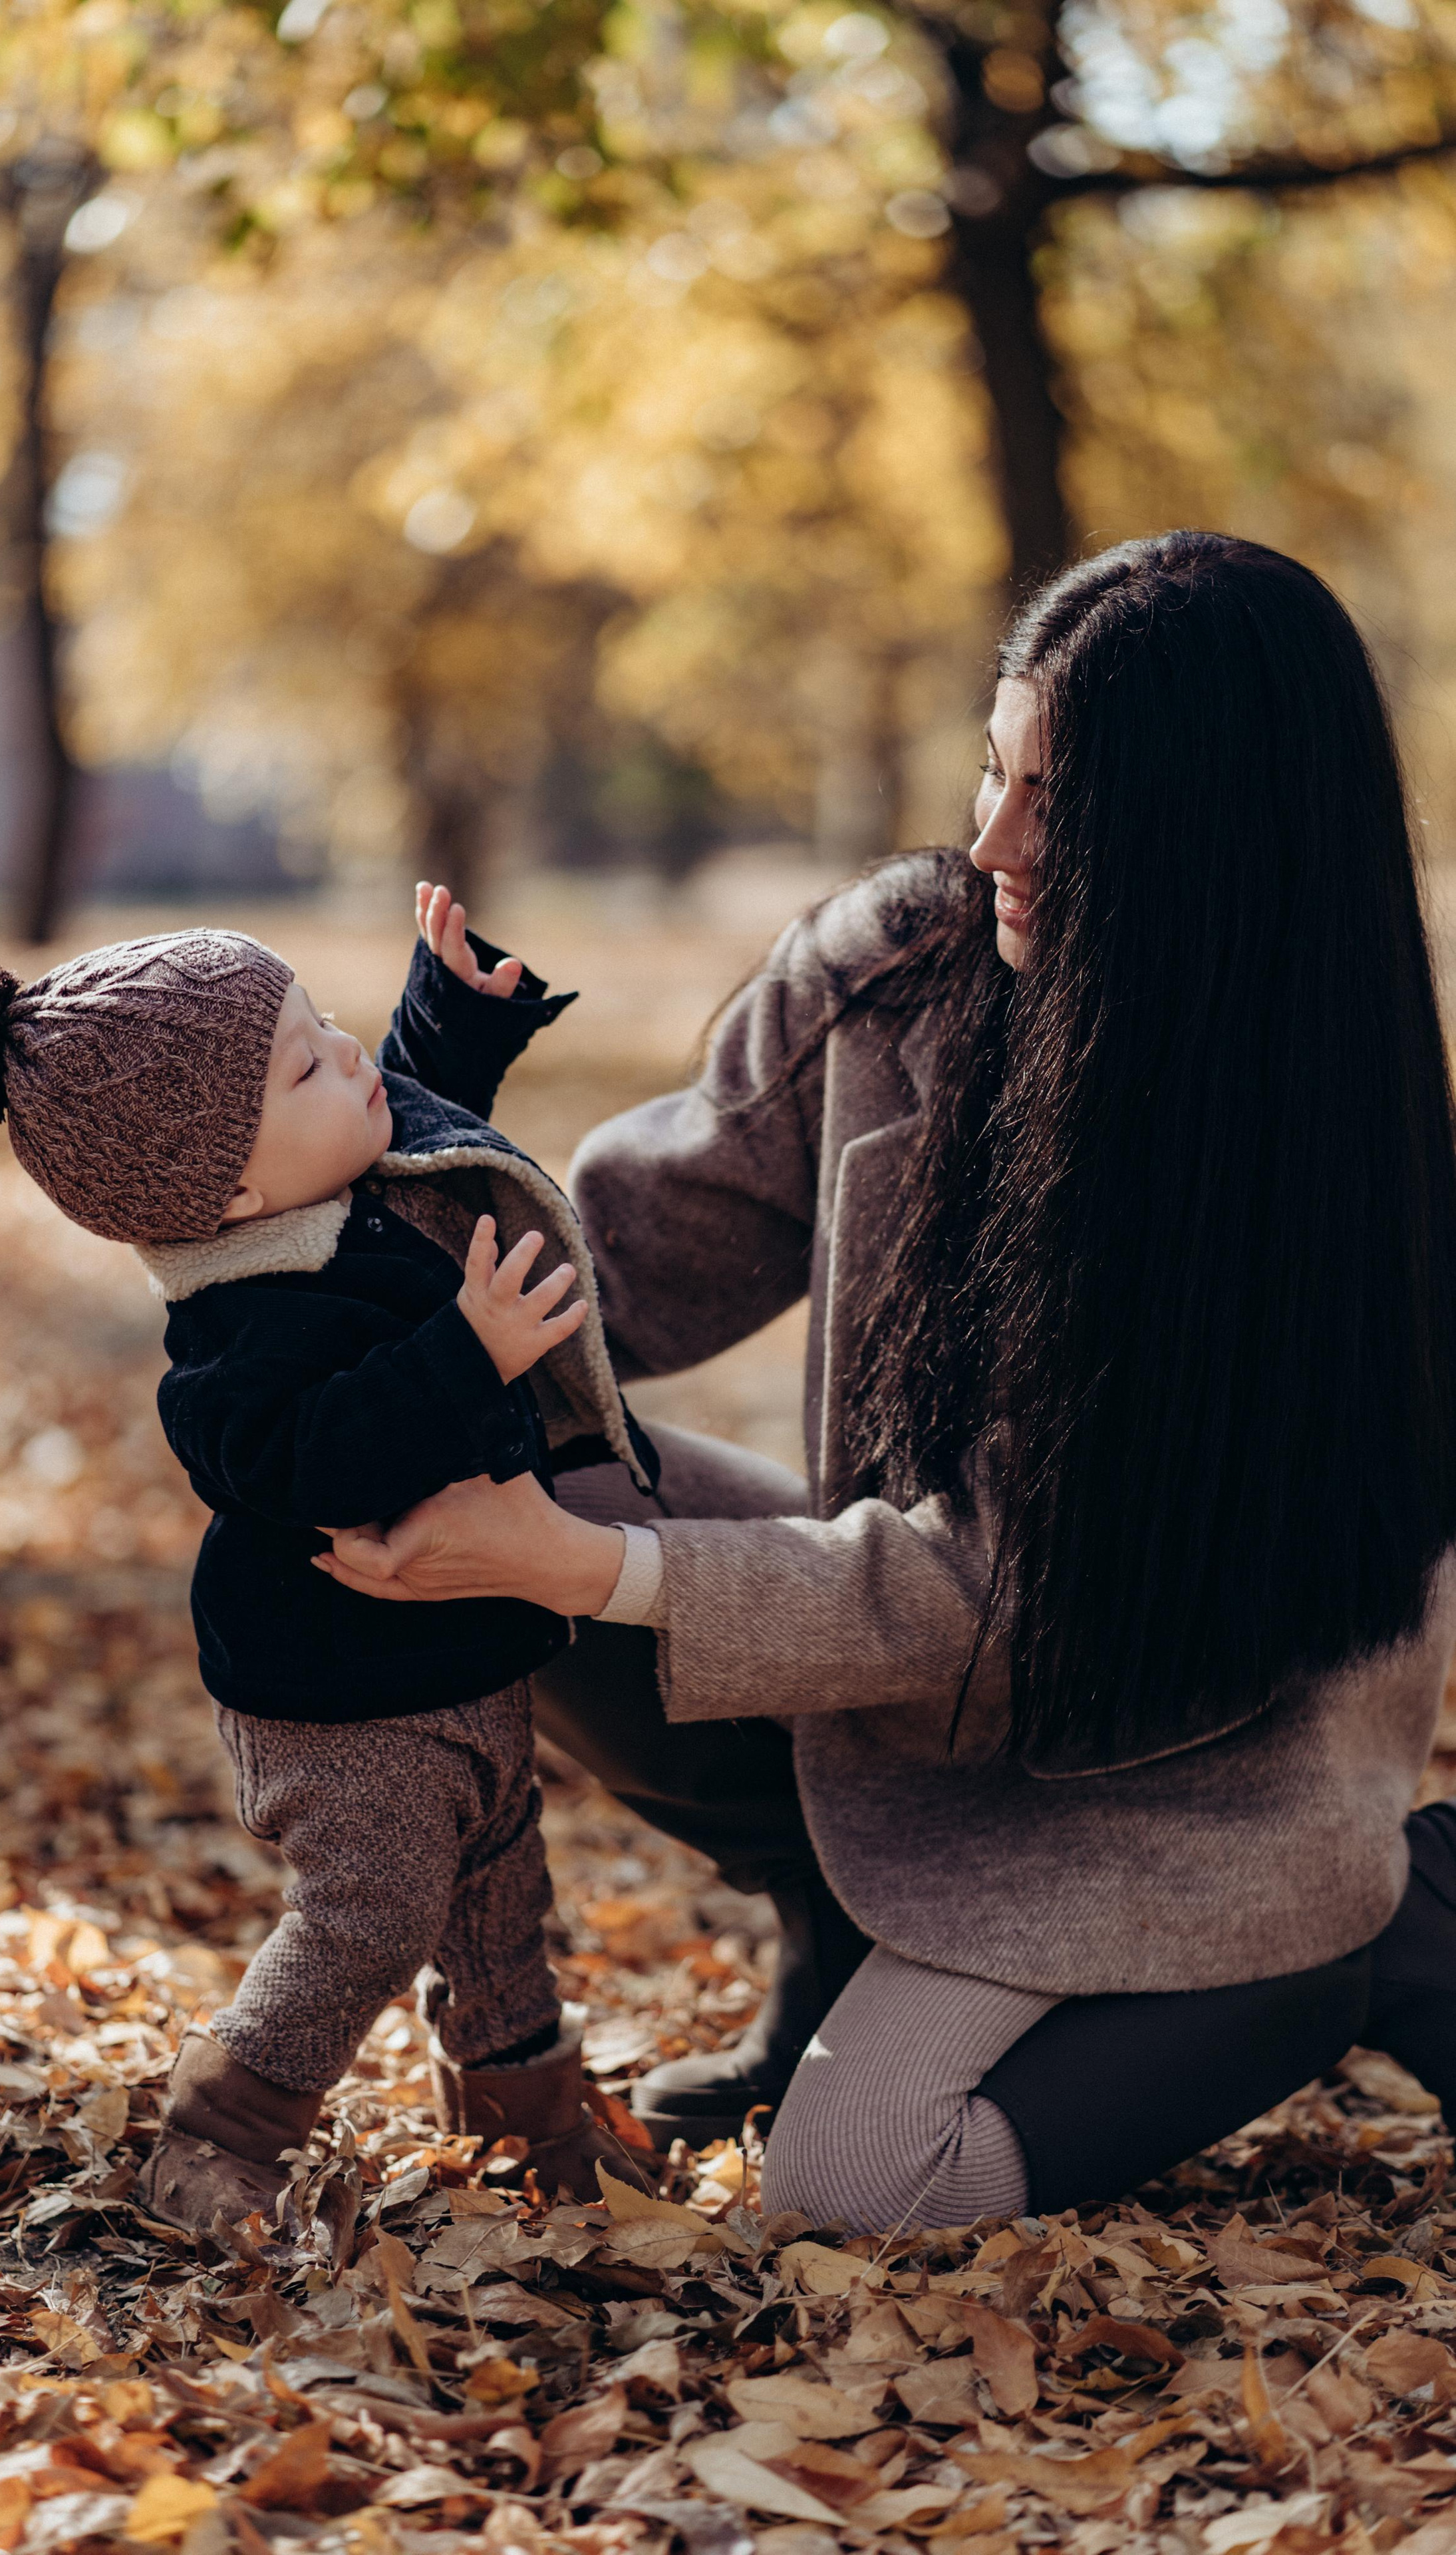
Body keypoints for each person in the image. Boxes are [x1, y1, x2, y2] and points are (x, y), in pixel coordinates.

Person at [317, 532, 1456, 2230]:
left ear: (1207, 836)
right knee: (420, 1462)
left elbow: (996, 1597)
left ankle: (1359, 1945)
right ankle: (835, 1914)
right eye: (991, 771)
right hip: (929, 1677)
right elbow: (632, 1247)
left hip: (1189, 1785)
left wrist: (581, 1566)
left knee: (854, 2188)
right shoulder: (901, 974)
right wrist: (324, 1305)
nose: (990, 839)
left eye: (1053, 801)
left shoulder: (1298, 1152)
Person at [0, 891, 652, 2228]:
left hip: (452, 1644)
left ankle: (519, 2116)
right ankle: (224, 2127)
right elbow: (304, 1459)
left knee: (497, 1883)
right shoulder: (236, 1336)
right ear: (226, 1186)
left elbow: (401, 1102)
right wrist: (465, 1356)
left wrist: (451, 1011)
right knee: (373, 1912)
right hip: (336, 1692)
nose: (349, 1055)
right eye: (308, 1060)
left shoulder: (321, 1185)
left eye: (325, 1023)